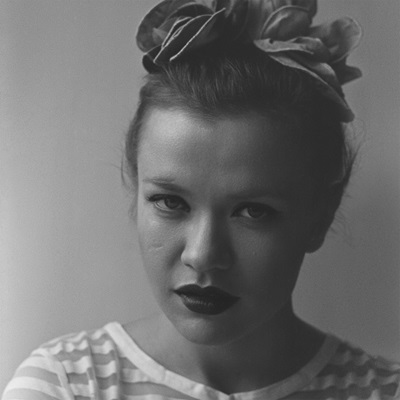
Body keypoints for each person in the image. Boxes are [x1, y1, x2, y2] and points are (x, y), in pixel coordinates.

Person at [3, 1, 400, 399]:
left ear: (321, 215)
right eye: (170, 202)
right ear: (136, 189)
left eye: (253, 212)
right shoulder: (64, 384)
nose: (203, 255)